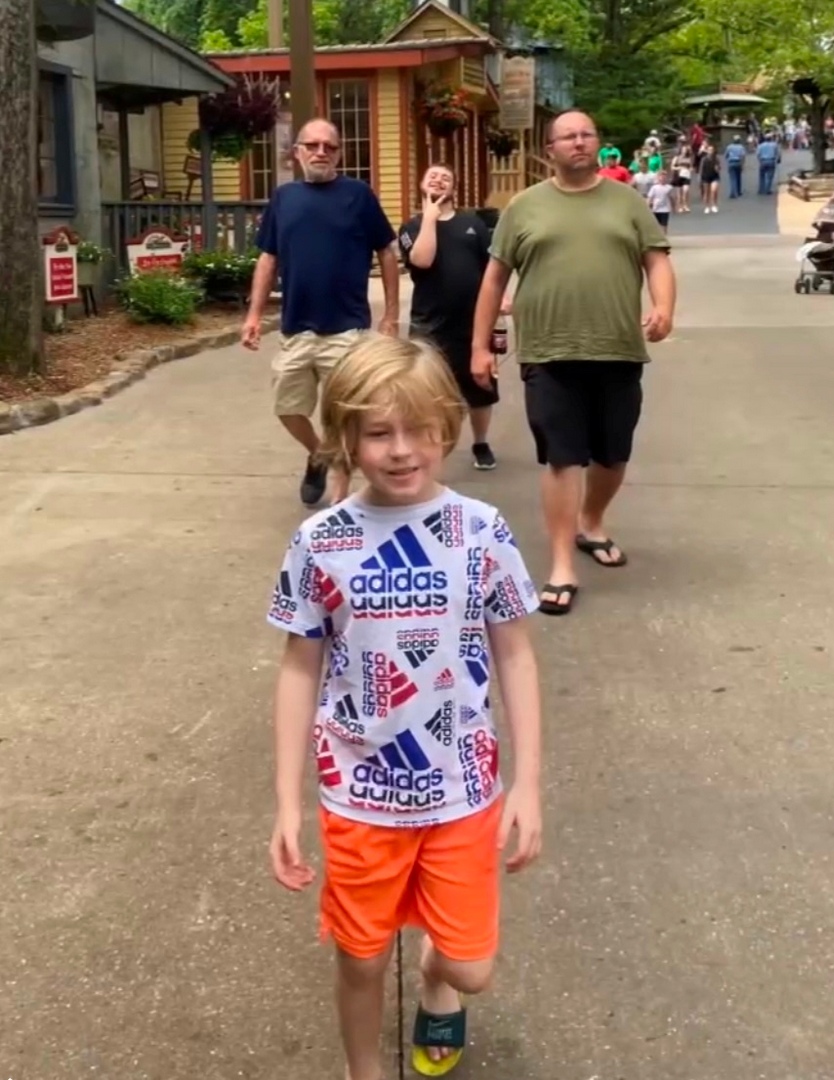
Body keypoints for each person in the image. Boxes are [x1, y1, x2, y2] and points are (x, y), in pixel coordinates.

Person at [267, 334, 542, 1080]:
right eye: (377, 432)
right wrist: (287, 802)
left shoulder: (480, 531)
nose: (400, 450)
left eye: (418, 429)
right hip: (359, 795)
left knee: (471, 968)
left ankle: (435, 977)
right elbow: (299, 667)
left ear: (448, 426)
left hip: (462, 791)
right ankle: (363, 1069)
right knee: (359, 959)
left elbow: (516, 655)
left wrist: (528, 783)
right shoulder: (321, 542)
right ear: (344, 436)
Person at [470, 109, 676, 616]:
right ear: (551, 149)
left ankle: (592, 521)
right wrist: (479, 347)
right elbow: (494, 280)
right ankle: (562, 564)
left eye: (587, 134)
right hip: (549, 351)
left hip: (617, 347)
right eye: (568, 136)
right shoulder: (525, 207)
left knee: (612, 454)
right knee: (562, 457)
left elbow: (656, 259)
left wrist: (664, 307)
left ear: (597, 143)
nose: (579, 142)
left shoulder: (627, 201)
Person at [242, 117, 400, 508]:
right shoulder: (284, 198)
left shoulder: (358, 195)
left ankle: (339, 503)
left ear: (339, 153)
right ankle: (319, 454)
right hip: (297, 328)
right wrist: (253, 315)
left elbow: (386, 251)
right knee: (287, 407)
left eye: (329, 146)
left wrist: (391, 314)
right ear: (297, 153)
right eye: (312, 145)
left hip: (346, 330)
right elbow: (268, 257)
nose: (321, 152)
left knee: (344, 415)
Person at [398, 163, 499, 471]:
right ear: (421, 184)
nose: (439, 181)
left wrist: (500, 300)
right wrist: (430, 218)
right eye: (433, 176)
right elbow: (422, 260)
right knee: (426, 389)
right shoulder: (411, 227)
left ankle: (480, 442)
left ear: (454, 188)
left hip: (472, 322)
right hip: (429, 324)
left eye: (446, 178)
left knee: (480, 388)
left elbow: (490, 268)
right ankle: (429, 444)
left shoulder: (473, 225)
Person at [670, 139, 694, 213]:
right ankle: (680, 206)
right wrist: (679, 168)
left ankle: (685, 205)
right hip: (679, 176)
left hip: (687, 176)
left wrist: (690, 169)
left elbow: (691, 167)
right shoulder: (677, 158)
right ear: (681, 150)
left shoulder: (688, 158)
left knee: (685, 191)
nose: (684, 151)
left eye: (686, 150)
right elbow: (672, 167)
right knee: (679, 192)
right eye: (683, 150)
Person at [699, 141, 720, 213]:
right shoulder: (704, 159)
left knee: (714, 190)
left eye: (712, 150)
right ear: (707, 151)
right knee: (706, 192)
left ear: (713, 151)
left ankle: (714, 205)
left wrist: (717, 168)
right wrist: (700, 177)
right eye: (709, 150)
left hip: (714, 176)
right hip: (706, 176)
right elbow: (701, 168)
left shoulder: (716, 158)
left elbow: (719, 167)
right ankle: (707, 206)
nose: (710, 151)